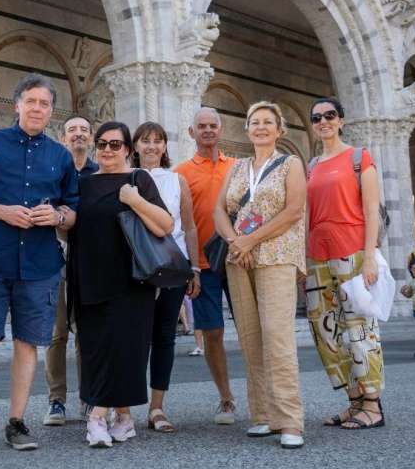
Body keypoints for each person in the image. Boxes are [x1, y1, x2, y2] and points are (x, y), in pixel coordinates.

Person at [0, 74, 79, 457]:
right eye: (31, 101)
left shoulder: (60, 156)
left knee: (28, 345)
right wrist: (3, 212)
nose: (38, 108)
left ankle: (17, 422)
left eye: (44, 103)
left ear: (51, 111)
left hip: (40, 265)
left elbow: (72, 212)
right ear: (18, 105)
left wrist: (55, 216)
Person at [70, 121, 174, 448]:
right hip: (88, 275)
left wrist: (134, 200)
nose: (107, 150)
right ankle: (124, 418)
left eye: (115, 145)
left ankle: (96, 417)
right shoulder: (83, 184)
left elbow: (165, 225)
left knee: (125, 347)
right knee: (97, 349)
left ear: (128, 149)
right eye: (101, 144)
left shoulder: (137, 179)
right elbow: (72, 228)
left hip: (131, 279)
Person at [212, 102, 306, 449]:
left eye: (268, 122)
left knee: (278, 337)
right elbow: (219, 210)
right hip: (240, 259)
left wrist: (250, 239)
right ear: (247, 129)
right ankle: (263, 415)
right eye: (255, 122)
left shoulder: (291, 164)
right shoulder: (237, 167)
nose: (261, 127)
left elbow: (294, 210)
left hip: (276, 257)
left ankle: (290, 420)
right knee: (251, 337)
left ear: (279, 130)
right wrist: (236, 241)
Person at [304, 97, 386, 430]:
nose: (323, 121)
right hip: (317, 257)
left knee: (359, 328)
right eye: (317, 117)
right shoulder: (311, 165)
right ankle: (353, 402)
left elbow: (371, 211)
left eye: (330, 115)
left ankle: (373, 405)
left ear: (341, 120)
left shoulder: (358, 157)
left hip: (351, 253)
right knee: (326, 332)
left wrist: (370, 257)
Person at [131, 121, 201, 434]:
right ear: (135, 146)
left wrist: (195, 267)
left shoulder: (177, 181)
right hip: (136, 266)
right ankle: (121, 408)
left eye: (157, 141)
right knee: (132, 336)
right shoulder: (128, 178)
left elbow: (189, 227)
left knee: (164, 336)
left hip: (173, 265)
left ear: (164, 147)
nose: (152, 146)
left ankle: (157, 407)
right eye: (145, 141)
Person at [174, 107, 238, 425]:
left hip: (238, 260)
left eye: (214, 125)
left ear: (221, 129)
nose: (208, 130)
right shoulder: (181, 172)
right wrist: (189, 268)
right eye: (202, 126)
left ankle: (265, 397)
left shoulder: (238, 168)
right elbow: (180, 223)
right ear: (192, 132)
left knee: (253, 332)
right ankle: (226, 399)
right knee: (212, 332)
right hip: (203, 264)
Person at [44, 114, 98, 426]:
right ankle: (56, 400)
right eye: (71, 131)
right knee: (56, 332)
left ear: (91, 139)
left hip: (90, 258)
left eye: (83, 130)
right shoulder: (53, 171)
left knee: (87, 332)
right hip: (56, 256)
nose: (77, 135)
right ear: (63, 139)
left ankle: (88, 397)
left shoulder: (99, 173)